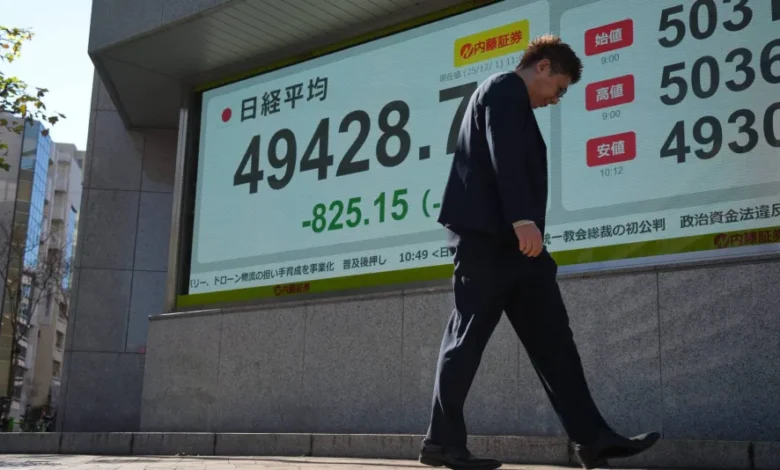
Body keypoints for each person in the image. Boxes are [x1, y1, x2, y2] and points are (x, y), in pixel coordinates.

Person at [418, 35, 660, 470]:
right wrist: (520, 218)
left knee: (555, 342)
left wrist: (524, 229)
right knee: (467, 338)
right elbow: (504, 153)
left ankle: (593, 439)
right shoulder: (503, 87)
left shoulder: (514, 101)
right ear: (543, 66)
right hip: (488, 242)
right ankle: (442, 442)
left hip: (521, 252)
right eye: (559, 88)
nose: (557, 99)